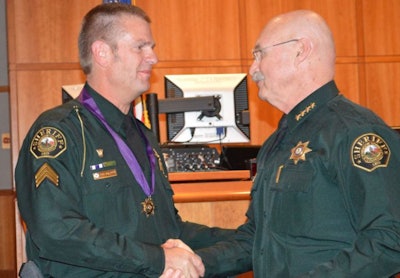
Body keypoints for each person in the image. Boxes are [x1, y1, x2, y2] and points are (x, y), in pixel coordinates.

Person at [15, 3, 234, 277]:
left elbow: (166, 229)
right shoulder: (59, 132)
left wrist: (245, 241)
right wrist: (159, 259)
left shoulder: (143, 136)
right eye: (140, 47)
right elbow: (57, 232)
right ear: (102, 53)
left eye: (152, 47)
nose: (153, 57)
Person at [195, 10, 400, 277]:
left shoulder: (354, 131)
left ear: (300, 51)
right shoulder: (277, 141)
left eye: (260, 54)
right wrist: (196, 263)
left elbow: (390, 237)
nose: (252, 69)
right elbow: (257, 240)